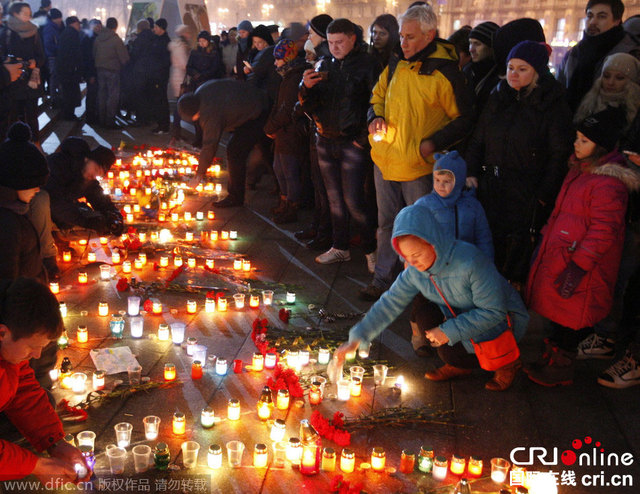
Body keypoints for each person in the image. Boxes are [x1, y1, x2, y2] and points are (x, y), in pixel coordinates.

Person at [334, 204, 529, 391]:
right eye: (405, 256)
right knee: (425, 316)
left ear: (433, 243)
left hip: (503, 321)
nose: (411, 262)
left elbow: (493, 311)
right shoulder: (415, 270)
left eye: (416, 253)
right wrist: (359, 336)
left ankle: (507, 362)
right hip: (461, 313)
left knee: (449, 340)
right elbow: (390, 303)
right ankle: (461, 363)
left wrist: (448, 331)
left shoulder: (470, 262)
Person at [363, 5, 474, 301]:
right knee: (386, 223)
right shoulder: (397, 62)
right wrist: (375, 116)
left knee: (421, 229)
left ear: (430, 35)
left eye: (410, 37)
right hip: (386, 159)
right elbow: (377, 96)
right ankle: (382, 278)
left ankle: (422, 287)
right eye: (402, 36)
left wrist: (433, 143)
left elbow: (464, 118)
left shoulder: (446, 73)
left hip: (420, 166)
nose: (404, 43)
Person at [526, 107, 639, 386]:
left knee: (569, 319)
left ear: (600, 146)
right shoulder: (580, 170)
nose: (576, 144)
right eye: (577, 138)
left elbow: (604, 231)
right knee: (557, 313)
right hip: (562, 255)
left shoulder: (608, 184)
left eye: (583, 141)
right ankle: (553, 358)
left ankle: (562, 367)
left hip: (580, 265)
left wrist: (579, 266)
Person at [465, 41, 574, 288]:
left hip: (526, 191)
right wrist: (471, 172)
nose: (514, 74)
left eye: (522, 69)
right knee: (488, 244)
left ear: (537, 70)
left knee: (517, 252)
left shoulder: (551, 104)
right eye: (511, 67)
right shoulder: (498, 95)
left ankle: (511, 308)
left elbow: (559, 154)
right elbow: (479, 138)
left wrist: (543, 195)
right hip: (491, 185)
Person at [299, 18, 378, 270]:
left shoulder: (368, 65)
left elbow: (377, 104)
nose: (334, 47)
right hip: (325, 139)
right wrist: (305, 88)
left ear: (353, 38)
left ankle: (370, 249)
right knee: (334, 199)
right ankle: (340, 246)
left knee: (355, 200)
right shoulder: (323, 63)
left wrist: (361, 140)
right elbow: (309, 105)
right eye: (330, 42)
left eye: (339, 42)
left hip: (351, 142)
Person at [0, 277, 91, 483]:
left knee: (45, 398)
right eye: (32, 346)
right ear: (2, 333)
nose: (38, 355)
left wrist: (55, 443)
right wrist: (36, 465)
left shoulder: (10, 352)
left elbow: (23, 391)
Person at [406, 151, 493, 355]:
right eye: (437, 180)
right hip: (431, 269)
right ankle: (418, 334)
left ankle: (455, 342)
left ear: (460, 181)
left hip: (462, 269)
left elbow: (483, 238)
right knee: (421, 299)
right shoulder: (425, 205)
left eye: (447, 181)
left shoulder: (472, 207)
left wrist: (486, 265)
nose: (441, 186)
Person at [177, 79, 270, 206]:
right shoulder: (201, 92)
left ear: (195, 113)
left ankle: (235, 197)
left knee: (234, 151)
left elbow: (210, 144)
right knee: (266, 150)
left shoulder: (209, 113)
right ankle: (281, 188)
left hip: (256, 113)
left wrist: (199, 175)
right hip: (258, 100)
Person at [557, 0, 639, 112]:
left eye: (601, 17)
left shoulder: (630, 54)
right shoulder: (574, 53)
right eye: (589, 16)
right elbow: (559, 89)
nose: (593, 22)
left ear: (617, 21)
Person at [264, 39, 311, 224]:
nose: (275, 63)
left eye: (278, 59)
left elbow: (287, 109)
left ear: (288, 58)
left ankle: (292, 206)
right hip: (282, 133)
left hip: (291, 133)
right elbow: (278, 105)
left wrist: (270, 127)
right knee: (279, 168)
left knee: (289, 171)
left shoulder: (294, 78)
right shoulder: (287, 76)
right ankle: (284, 201)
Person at [0, 122, 49, 281]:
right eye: (34, 185)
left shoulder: (15, 210)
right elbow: (8, 284)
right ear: (17, 183)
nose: (37, 190)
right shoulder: (7, 226)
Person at [44, 137, 122, 235]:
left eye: (99, 174)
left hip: (56, 204)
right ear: (87, 159)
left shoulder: (86, 174)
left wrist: (115, 215)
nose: (94, 175)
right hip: (36, 203)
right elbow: (56, 203)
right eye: (96, 169)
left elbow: (98, 197)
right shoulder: (59, 164)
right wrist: (87, 222)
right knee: (70, 218)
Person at [0, 2, 46, 144]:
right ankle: (13, 147)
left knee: (32, 115)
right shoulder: (6, 32)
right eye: (25, 13)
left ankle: (35, 144)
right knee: (12, 116)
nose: (29, 16)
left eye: (29, 13)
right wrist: (12, 62)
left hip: (31, 81)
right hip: (12, 82)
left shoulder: (35, 32)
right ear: (15, 14)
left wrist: (35, 63)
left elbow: (42, 56)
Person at [574, 52, 640, 127]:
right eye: (606, 76)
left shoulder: (633, 112)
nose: (610, 82)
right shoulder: (590, 104)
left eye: (619, 78)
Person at [93, 17, 129, 129]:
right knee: (112, 96)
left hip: (100, 69)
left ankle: (101, 119)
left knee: (102, 94)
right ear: (115, 27)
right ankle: (110, 121)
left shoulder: (98, 38)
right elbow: (124, 58)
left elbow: (94, 54)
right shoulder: (116, 40)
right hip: (113, 70)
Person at [464, 21, 500, 113]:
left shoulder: (501, 76)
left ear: (491, 46)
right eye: (470, 43)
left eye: (477, 44)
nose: (471, 49)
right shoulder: (467, 70)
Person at [168, 25, 193, 145]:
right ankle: (176, 134)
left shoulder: (179, 45)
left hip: (179, 77)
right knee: (179, 106)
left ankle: (176, 133)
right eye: (188, 33)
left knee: (179, 105)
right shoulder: (180, 47)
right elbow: (184, 64)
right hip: (180, 78)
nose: (190, 35)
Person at [56, 16, 82, 121]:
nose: (79, 26)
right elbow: (75, 53)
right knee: (70, 93)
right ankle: (69, 114)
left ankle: (68, 113)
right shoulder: (72, 34)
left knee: (68, 92)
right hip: (70, 70)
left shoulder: (65, 33)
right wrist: (78, 68)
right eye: (78, 23)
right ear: (73, 23)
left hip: (64, 69)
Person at [148, 18, 171, 135]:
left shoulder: (165, 41)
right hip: (155, 74)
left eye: (156, 27)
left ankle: (164, 125)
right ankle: (160, 123)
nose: (154, 29)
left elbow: (165, 61)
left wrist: (157, 72)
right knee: (157, 99)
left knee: (161, 99)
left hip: (160, 76)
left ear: (162, 28)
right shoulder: (156, 39)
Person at [81, 19, 101, 125]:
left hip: (96, 70)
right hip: (91, 71)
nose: (98, 28)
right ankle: (90, 116)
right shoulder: (88, 39)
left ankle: (93, 115)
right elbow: (88, 58)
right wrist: (90, 74)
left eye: (99, 26)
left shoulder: (97, 37)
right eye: (96, 26)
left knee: (95, 94)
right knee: (92, 95)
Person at [41, 8, 63, 106]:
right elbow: (48, 43)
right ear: (56, 18)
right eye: (59, 18)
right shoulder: (50, 28)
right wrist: (58, 48)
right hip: (52, 56)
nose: (61, 20)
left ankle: (55, 97)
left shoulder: (52, 27)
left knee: (55, 77)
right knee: (54, 77)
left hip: (53, 55)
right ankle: (54, 99)